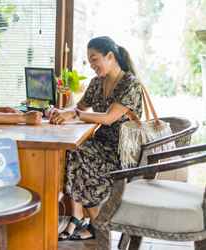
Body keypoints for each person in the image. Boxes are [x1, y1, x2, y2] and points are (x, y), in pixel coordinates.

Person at [51, 36, 143, 241]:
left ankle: (95, 225)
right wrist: (59, 112)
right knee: (72, 151)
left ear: (110, 56)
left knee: (79, 156)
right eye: (89, 61)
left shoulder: (130, 84)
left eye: (94, 59)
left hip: (122, 152)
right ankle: (89, 222)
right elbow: (79, 108)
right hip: (101, 144)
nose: (91, 65)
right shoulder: (96, 83)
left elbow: (109, 118)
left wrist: (74, 115)